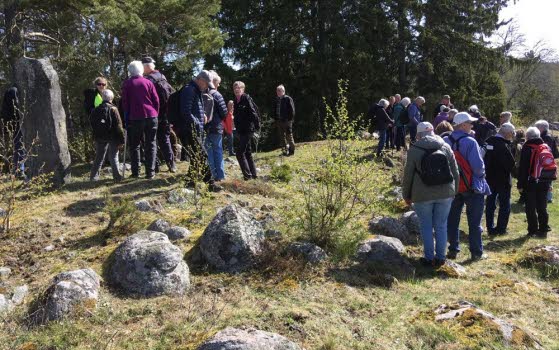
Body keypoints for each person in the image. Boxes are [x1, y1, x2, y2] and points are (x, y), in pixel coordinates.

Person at [402, 122, 459, 267]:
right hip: (446, 192)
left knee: (426, 226)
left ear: (419, 134)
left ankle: (428, 258)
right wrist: (455, 191)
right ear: (433, 132)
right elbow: (455, 171)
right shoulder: (445, 146)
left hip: (422, 194)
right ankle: (441, 258)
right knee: (441, 225)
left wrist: (406, 195)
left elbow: (408, 175)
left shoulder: (414, 149)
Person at [444, 112, 491, 261]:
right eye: (470, 123)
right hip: (472, 186)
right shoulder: (471, 142)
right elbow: (478, 167)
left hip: (452, 186)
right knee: (475, 222)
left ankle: (453, 249)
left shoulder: (445, 140)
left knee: (452, 219)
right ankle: (476, 252)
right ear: (463, 125)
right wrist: (482, 177)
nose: (472, 125)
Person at [179, 70, 220, 191]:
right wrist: (197, 122)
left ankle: (190, 181)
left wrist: (202, 118)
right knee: (202, 154)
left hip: (195, 127)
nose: (207, 86)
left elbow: (195, 109)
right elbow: (185, 112)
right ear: (200, 80)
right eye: (206, 84)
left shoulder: (196, 90)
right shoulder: (189, 90)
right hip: (190, 129)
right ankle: (210, 184)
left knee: (196, 156)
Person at [121, 61, 160, 179]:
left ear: (130, 71)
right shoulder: (148, 82)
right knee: (151, 144)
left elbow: (125, 103)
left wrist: (126, 118)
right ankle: (150, 172)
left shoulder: (127, 84)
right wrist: (155, 113)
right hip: (151, 116)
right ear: (141, 70)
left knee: (135, 145)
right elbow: (156, 100)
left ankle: (136, 172)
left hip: (135, 117)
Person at [517, 127, 553, 238]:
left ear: (527, 136)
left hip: (531, 181)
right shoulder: (545, 146)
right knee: (542, 206)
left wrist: (520, 184)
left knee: (530, 207)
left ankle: (532, 230)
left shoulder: (527, 148)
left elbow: (523, 168)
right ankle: (544, 228)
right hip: (545, 180)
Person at [142, 56, 176, 173]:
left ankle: (154, 167)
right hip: (166, 113)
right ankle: (172, 165)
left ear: (145, 67)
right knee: (165, 139)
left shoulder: (148, 80)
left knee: (151, 141)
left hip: (153, 114)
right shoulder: (162, 77)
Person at [484, 123, 516, 236]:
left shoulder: (488, 141)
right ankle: (501, 228)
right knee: (504, 204)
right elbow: (510, 163)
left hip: (489, 178)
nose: (512, 135)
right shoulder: (503, 145)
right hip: (503, 179)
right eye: (512, 133)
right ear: (507, 133)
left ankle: (490, 227)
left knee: (490, 203)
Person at [89, 89, 125, 181]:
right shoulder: (113, 109)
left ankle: (93, 177)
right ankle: (117, 177)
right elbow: (118, 126)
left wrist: (94, 136)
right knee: (113, 156)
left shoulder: (95, 110)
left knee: (99, 156)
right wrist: (122, 140)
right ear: (111, 98)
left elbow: (92, 124)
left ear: (102, 98)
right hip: (112, 136)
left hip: (99, 136)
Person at [233, 81, 260, 180]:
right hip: (241, 130)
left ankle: (247, 176)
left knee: (239, 153)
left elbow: (253, 113)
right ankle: (254, 175)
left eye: (239, 88)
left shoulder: (246, 98)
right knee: (247, 152)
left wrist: (257, 126)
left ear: (243, 89)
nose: (236, 89)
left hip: (248, 129)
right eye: (235, 88)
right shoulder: (236, 100)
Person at [205, 71, 228, 182]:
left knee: (208, 152)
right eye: (218, 83)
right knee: (218, 150)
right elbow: (224, 113)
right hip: (216, 127)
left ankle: (212, 175)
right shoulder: (217, 94)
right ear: (214, 82)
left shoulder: (201, 93)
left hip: (205, 127)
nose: (219, 85)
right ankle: (220, 175)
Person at [0, 86, 25, 176]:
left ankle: (19, 170)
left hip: (12, 123)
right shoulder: (14, 91)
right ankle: (19, 170)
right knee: (19, 145)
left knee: (18, 145)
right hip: (16, 122)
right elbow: (15, 105)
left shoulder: (11, 90)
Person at [534, 120, 559, 203]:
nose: (535, 128)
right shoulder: (550, 136)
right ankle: (547, 197)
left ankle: (547, 197)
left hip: (545, 163)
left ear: (542, 128)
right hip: (549, 162)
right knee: (549, 180)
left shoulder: (544, 138)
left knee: (546, 180)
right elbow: (556, 153)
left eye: (537, 127)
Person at [274, 84, 296, 156]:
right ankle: (285, 150)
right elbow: (275, 110)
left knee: (289, 136)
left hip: (287, 121)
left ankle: (292, 151)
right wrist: (276, 119)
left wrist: (289, 120)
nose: (278, 92)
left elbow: (292, 111)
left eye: (279, 91)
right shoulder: (277, 99)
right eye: (277, 91)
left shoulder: (288, 99)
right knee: (282, 137)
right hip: (279, 121)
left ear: (283, 91)